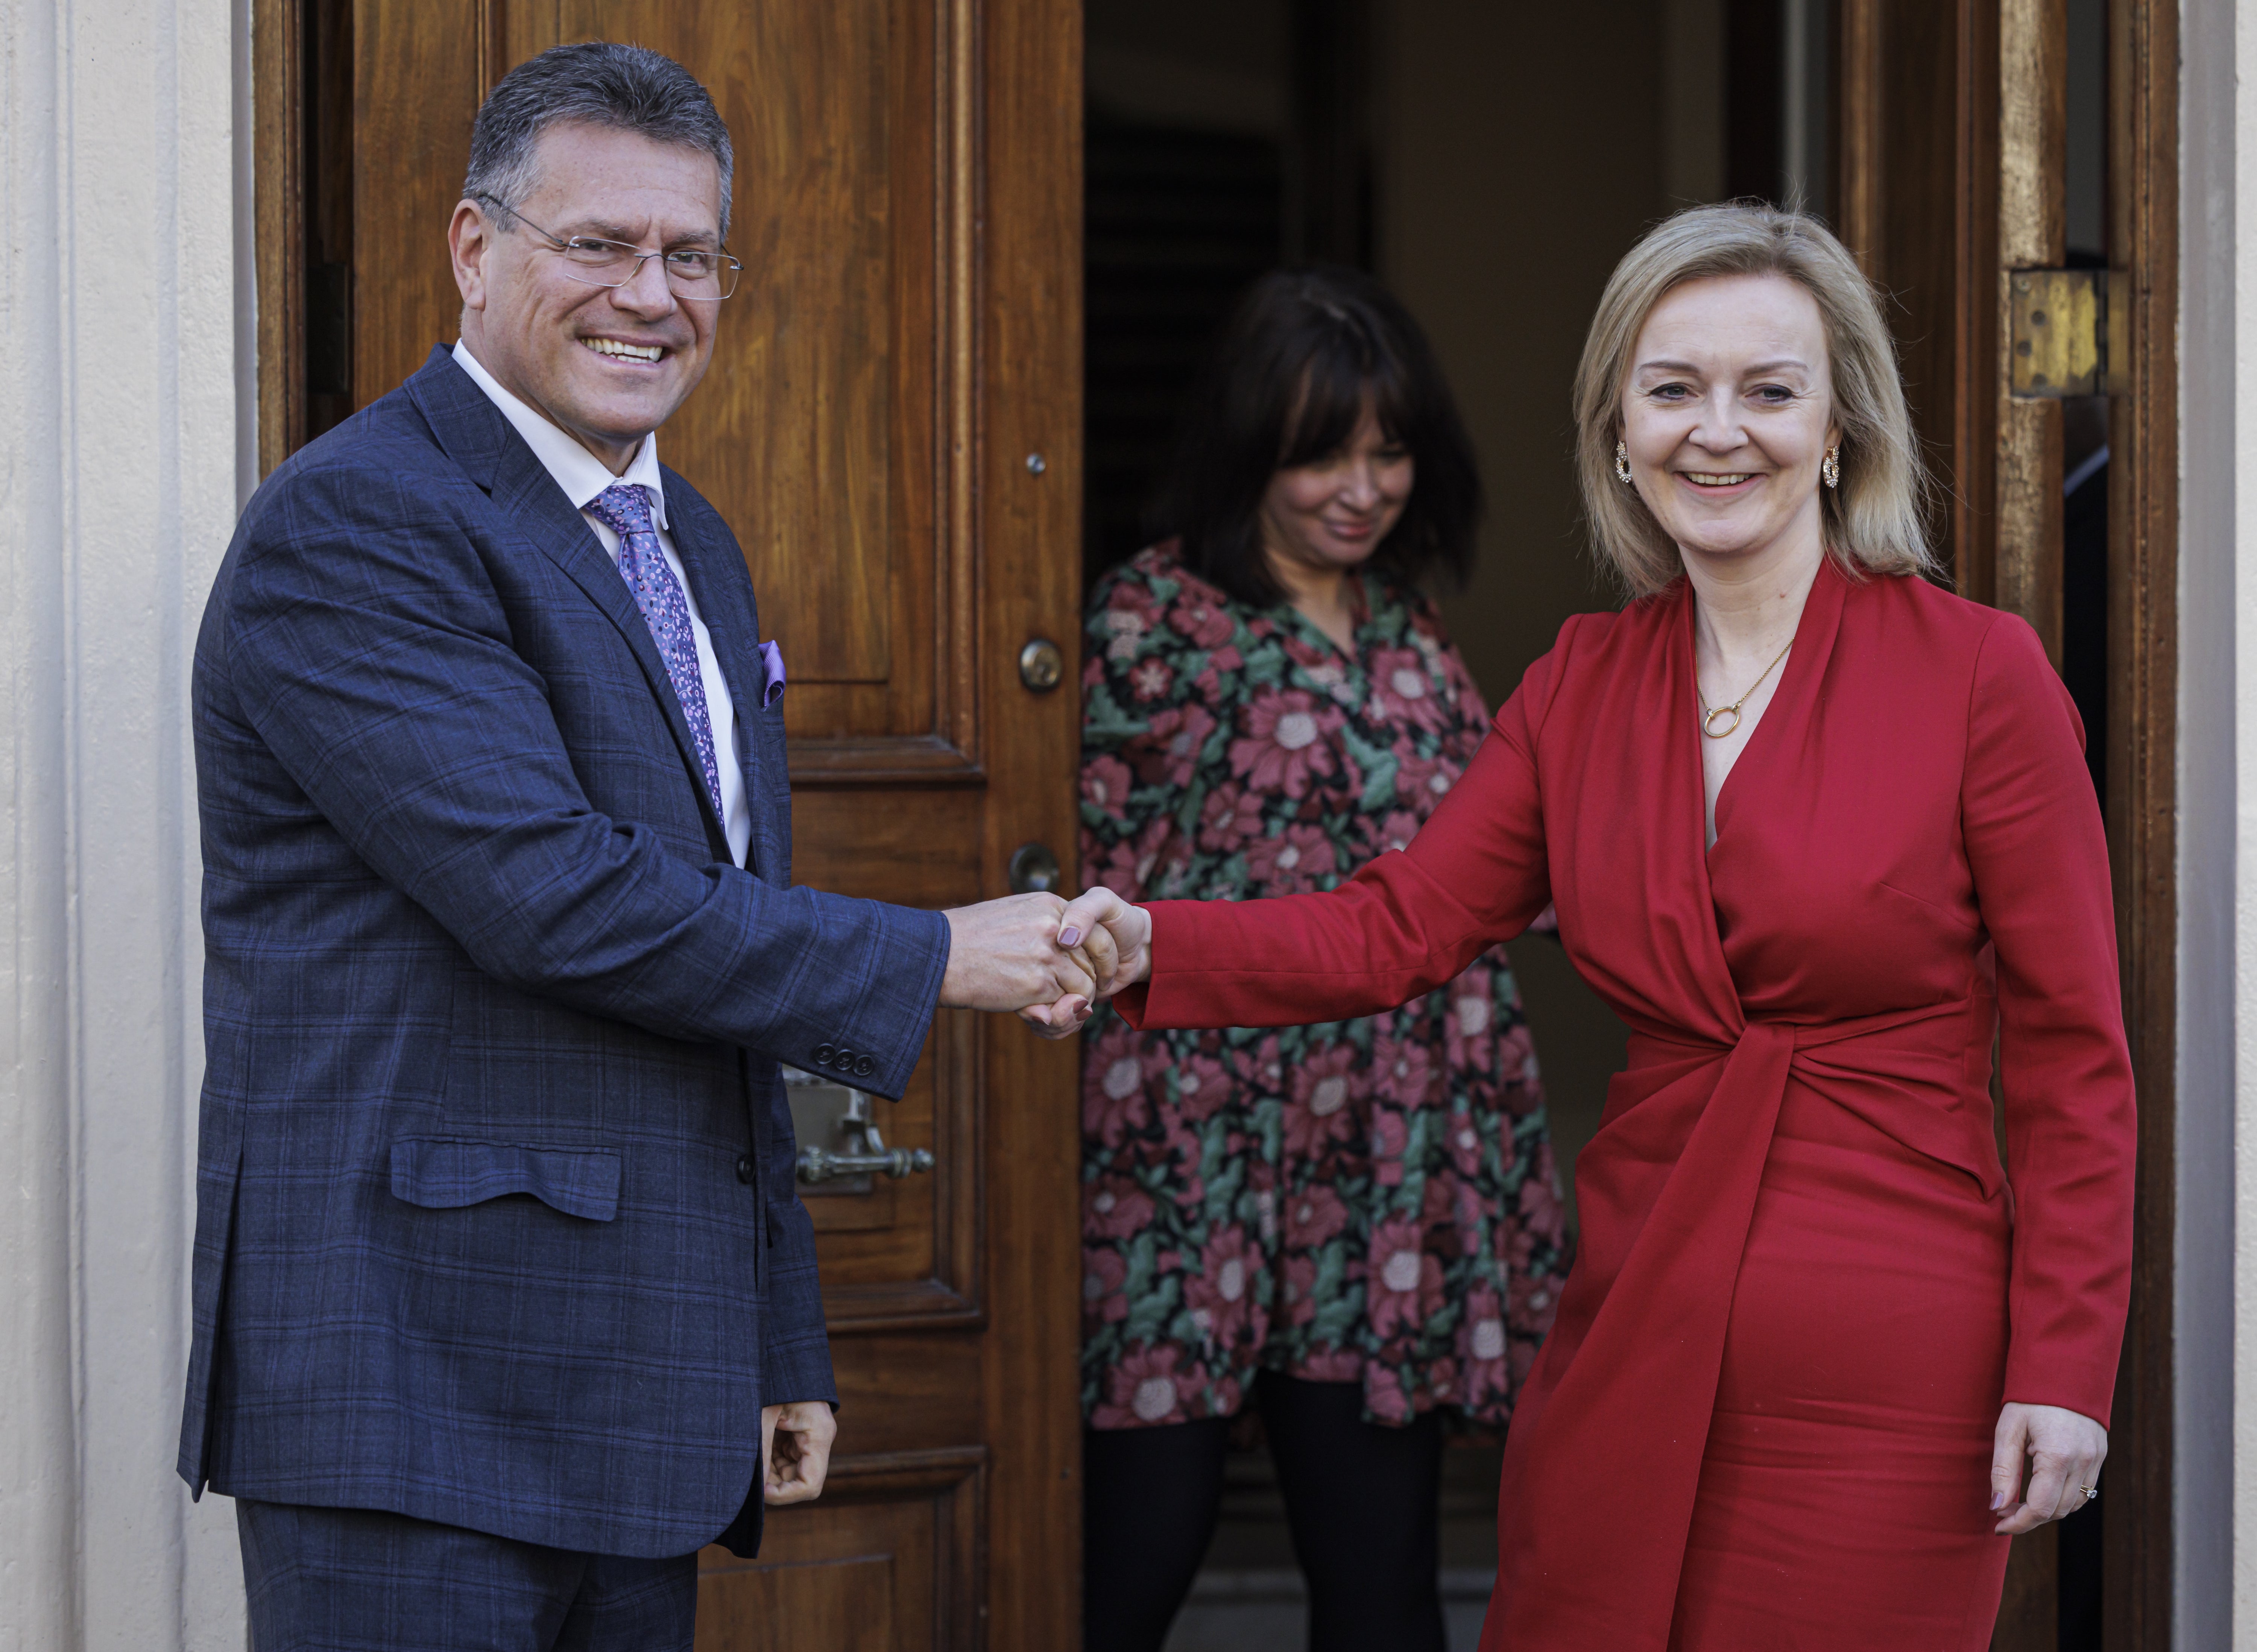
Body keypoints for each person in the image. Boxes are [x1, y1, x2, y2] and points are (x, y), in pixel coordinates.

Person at [1056, 202, 2137, 1650]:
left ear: (1837, 431)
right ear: (1618, 432)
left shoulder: (1977, 675)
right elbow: (1397, 929)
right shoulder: (1578, 684)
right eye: (1671, 388)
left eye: (1769, 389)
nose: (1717, 431)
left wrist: (2063, 1368)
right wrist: (1152, 945)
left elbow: (2074, 1057)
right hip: (1633, 1319)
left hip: (1890, 1361)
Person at [182, 43, 1097, 1650]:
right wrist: (935, 953)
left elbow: (716, 942)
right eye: (597, 245)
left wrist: (773, 1332)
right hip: (414, 1389)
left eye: (690, 255)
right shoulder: (357, 524)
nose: (651, 295)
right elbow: (558, 898)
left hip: (641, 1391)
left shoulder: (694, 542)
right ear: (475, 252)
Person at [1075, 269, 1569, 1652]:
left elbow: (1493, 864)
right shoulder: (1150, 622)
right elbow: (1078, 873)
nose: (1361, 489)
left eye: (1388, 451)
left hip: (1384, 1162)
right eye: (1320, 455)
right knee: (1136, 1561)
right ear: (1249, 453)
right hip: (1192, 1153)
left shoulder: (1409, 630)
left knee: (1381, 1586)